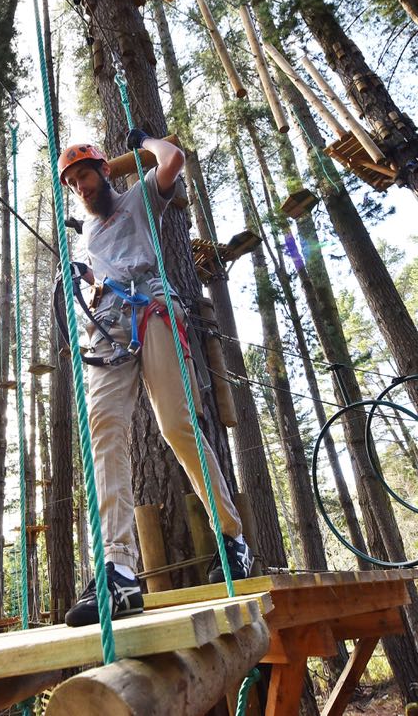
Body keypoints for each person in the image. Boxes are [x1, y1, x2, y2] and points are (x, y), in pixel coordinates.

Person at [57, 130, 253, 628]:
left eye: (86, 175)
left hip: (153, 308)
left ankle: (231, 538)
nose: (81, 186)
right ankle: (118, 569)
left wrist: (144, 140)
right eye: (73, 181)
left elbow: (174, 158)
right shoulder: (86, 234)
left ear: (104, 172)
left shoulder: (139, 197)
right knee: (104, 433)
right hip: (107, 324)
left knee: (175, 426)